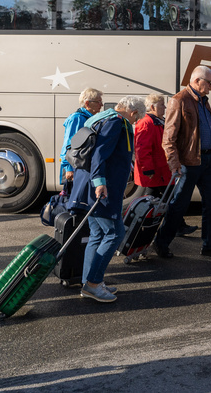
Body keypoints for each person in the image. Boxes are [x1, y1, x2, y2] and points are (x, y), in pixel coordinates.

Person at [71, 95, 144, 302]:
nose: (135, 123)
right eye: (136, 119)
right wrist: (100, 183)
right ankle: (93, 284)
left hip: (90, 186)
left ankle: (90, 282)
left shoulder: (102, 118)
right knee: (114, 233)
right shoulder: (115, 122)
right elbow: (100, 154)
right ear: (133, 112)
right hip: (102, 189)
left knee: (97, 234)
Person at [154, 66, 211, 259]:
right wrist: (174, 163)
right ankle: (161, 243)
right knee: (179, 204)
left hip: (206, 159)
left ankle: (210, 244)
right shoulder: (179, 100)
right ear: (197, 81)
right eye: (210, 82)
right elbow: (168, 137)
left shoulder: (203, 100)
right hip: (189, 163)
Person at [131, 93, 197, 235]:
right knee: (166, 200)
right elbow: (142, 149)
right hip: (155, 172)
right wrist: (148, 170)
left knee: (163, 200)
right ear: (153, 106)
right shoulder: (147, 123)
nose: (165, 107)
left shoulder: (157, 121)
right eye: (162, 104)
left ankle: (173, 226)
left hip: (161, 171)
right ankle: (172, 227)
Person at [59, 88, 103, 183]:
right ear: (87, 103)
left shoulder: (91, 118)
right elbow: (69, 144)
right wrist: (68, 168)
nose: (102, 105)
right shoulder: (77, 118)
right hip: (75, 168)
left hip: (82, 166)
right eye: (98, 101)